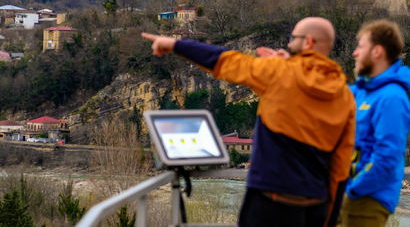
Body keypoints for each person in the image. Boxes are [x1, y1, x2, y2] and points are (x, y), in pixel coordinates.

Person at [142, 17, 355, 227]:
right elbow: (341, 165)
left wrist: (175, 44)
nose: (288, 44)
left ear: (308, 42)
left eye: (292, 38)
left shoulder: (278, 73)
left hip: (271, 200)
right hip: (316, 203)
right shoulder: (345, 96)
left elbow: (226, 60)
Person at [340, 19, 410, 227]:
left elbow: (387, 157)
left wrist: (354, 190)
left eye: (360, 47)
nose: (354, 53)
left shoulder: (392, 98)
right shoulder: (361, 92)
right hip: (347, 193)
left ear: (377, 51)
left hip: (366, 199)